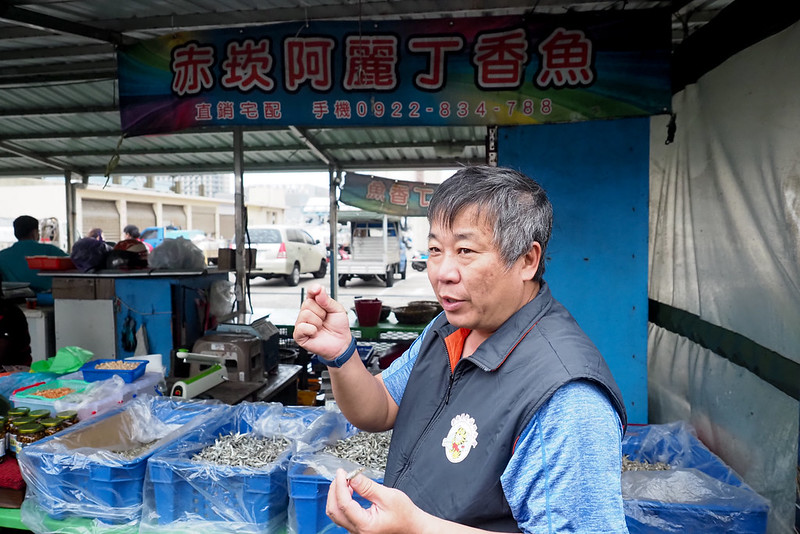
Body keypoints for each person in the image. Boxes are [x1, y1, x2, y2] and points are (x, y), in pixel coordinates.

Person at [294, 166, 629, 533]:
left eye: (465, 250)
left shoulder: (567, 397)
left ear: (527, 261)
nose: (442, 272)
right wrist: (342, 356)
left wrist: (416, 528)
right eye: (435, 249)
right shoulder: (448, 328)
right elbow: (379, 407)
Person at [0, 215, 68, 292]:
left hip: (14, 301)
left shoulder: (2, 256)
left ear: (16, 234)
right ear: (34, 232)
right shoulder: (50, 251)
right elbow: (75, 264)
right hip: (48, 300)